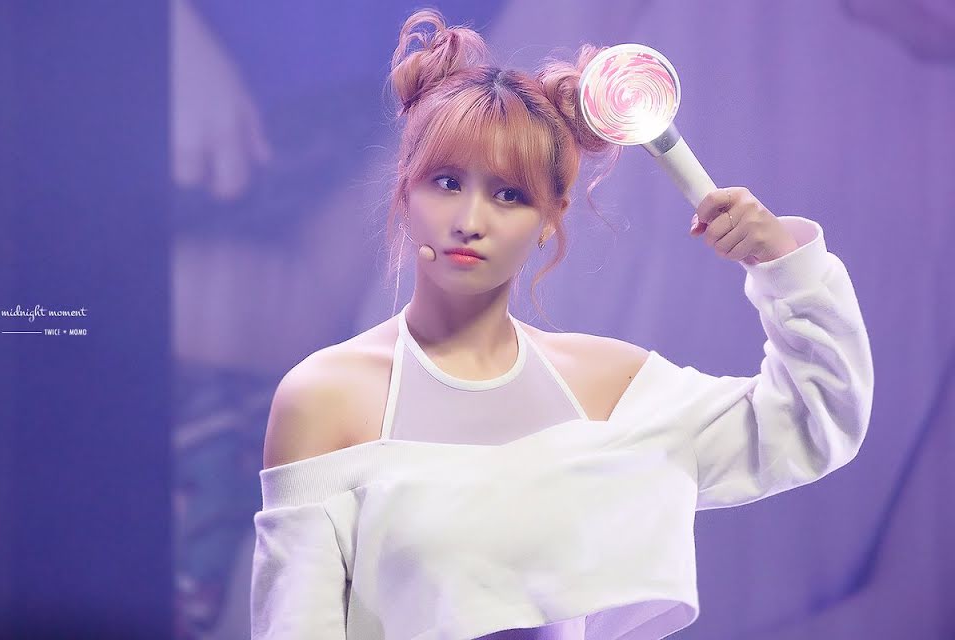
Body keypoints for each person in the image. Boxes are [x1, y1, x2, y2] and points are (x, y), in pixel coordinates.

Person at [250, 8, 874, 639]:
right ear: (404, 193)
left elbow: (814, 420)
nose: (470, 220)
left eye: (509, 195)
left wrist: (782, 263)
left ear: (550, 218)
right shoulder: (326, 397)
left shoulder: (612, 390)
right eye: (446, 182)